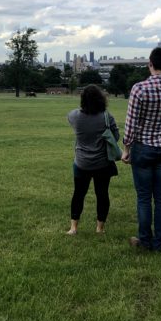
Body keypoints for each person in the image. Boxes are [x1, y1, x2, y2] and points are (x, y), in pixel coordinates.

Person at [122, 47, 161, 252]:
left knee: (144, 198)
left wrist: (126, 148)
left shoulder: (139, 89)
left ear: (150, 63)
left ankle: (145, 240)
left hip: (143, 148)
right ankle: (159, 243)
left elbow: (131, 125)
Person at [66, 84, 120, 235]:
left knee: (78, 194)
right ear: (100, 99)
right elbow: (115, 137)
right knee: (102, 194)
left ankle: (73, 228)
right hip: (102, 163)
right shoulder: (106, 117)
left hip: (81, 162)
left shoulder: (75, 116)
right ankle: (100, 228)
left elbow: (69, 118)